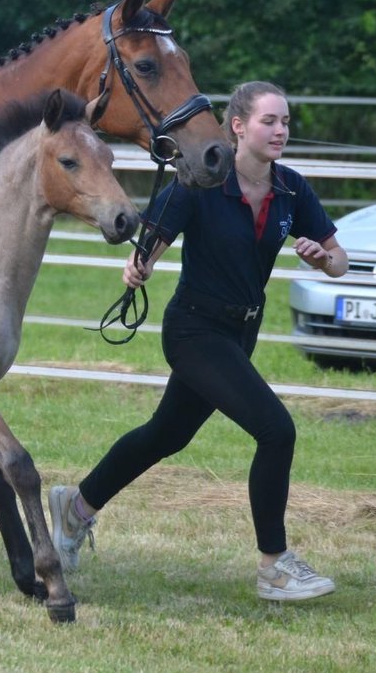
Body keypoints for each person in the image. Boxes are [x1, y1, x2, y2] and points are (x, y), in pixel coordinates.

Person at [49, 80, 348, 602]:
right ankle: (274, 566)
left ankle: (75, 508)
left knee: (166, 434)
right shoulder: (200, 181)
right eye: (268, 121)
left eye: (285, 122)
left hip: (241, 333)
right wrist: (138, 268)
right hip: (194, 332)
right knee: (276, 431)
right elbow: (154, 238)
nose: (280, 131)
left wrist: (323, 260)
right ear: (237, 127)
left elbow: (339, 260)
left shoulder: (292, 189)